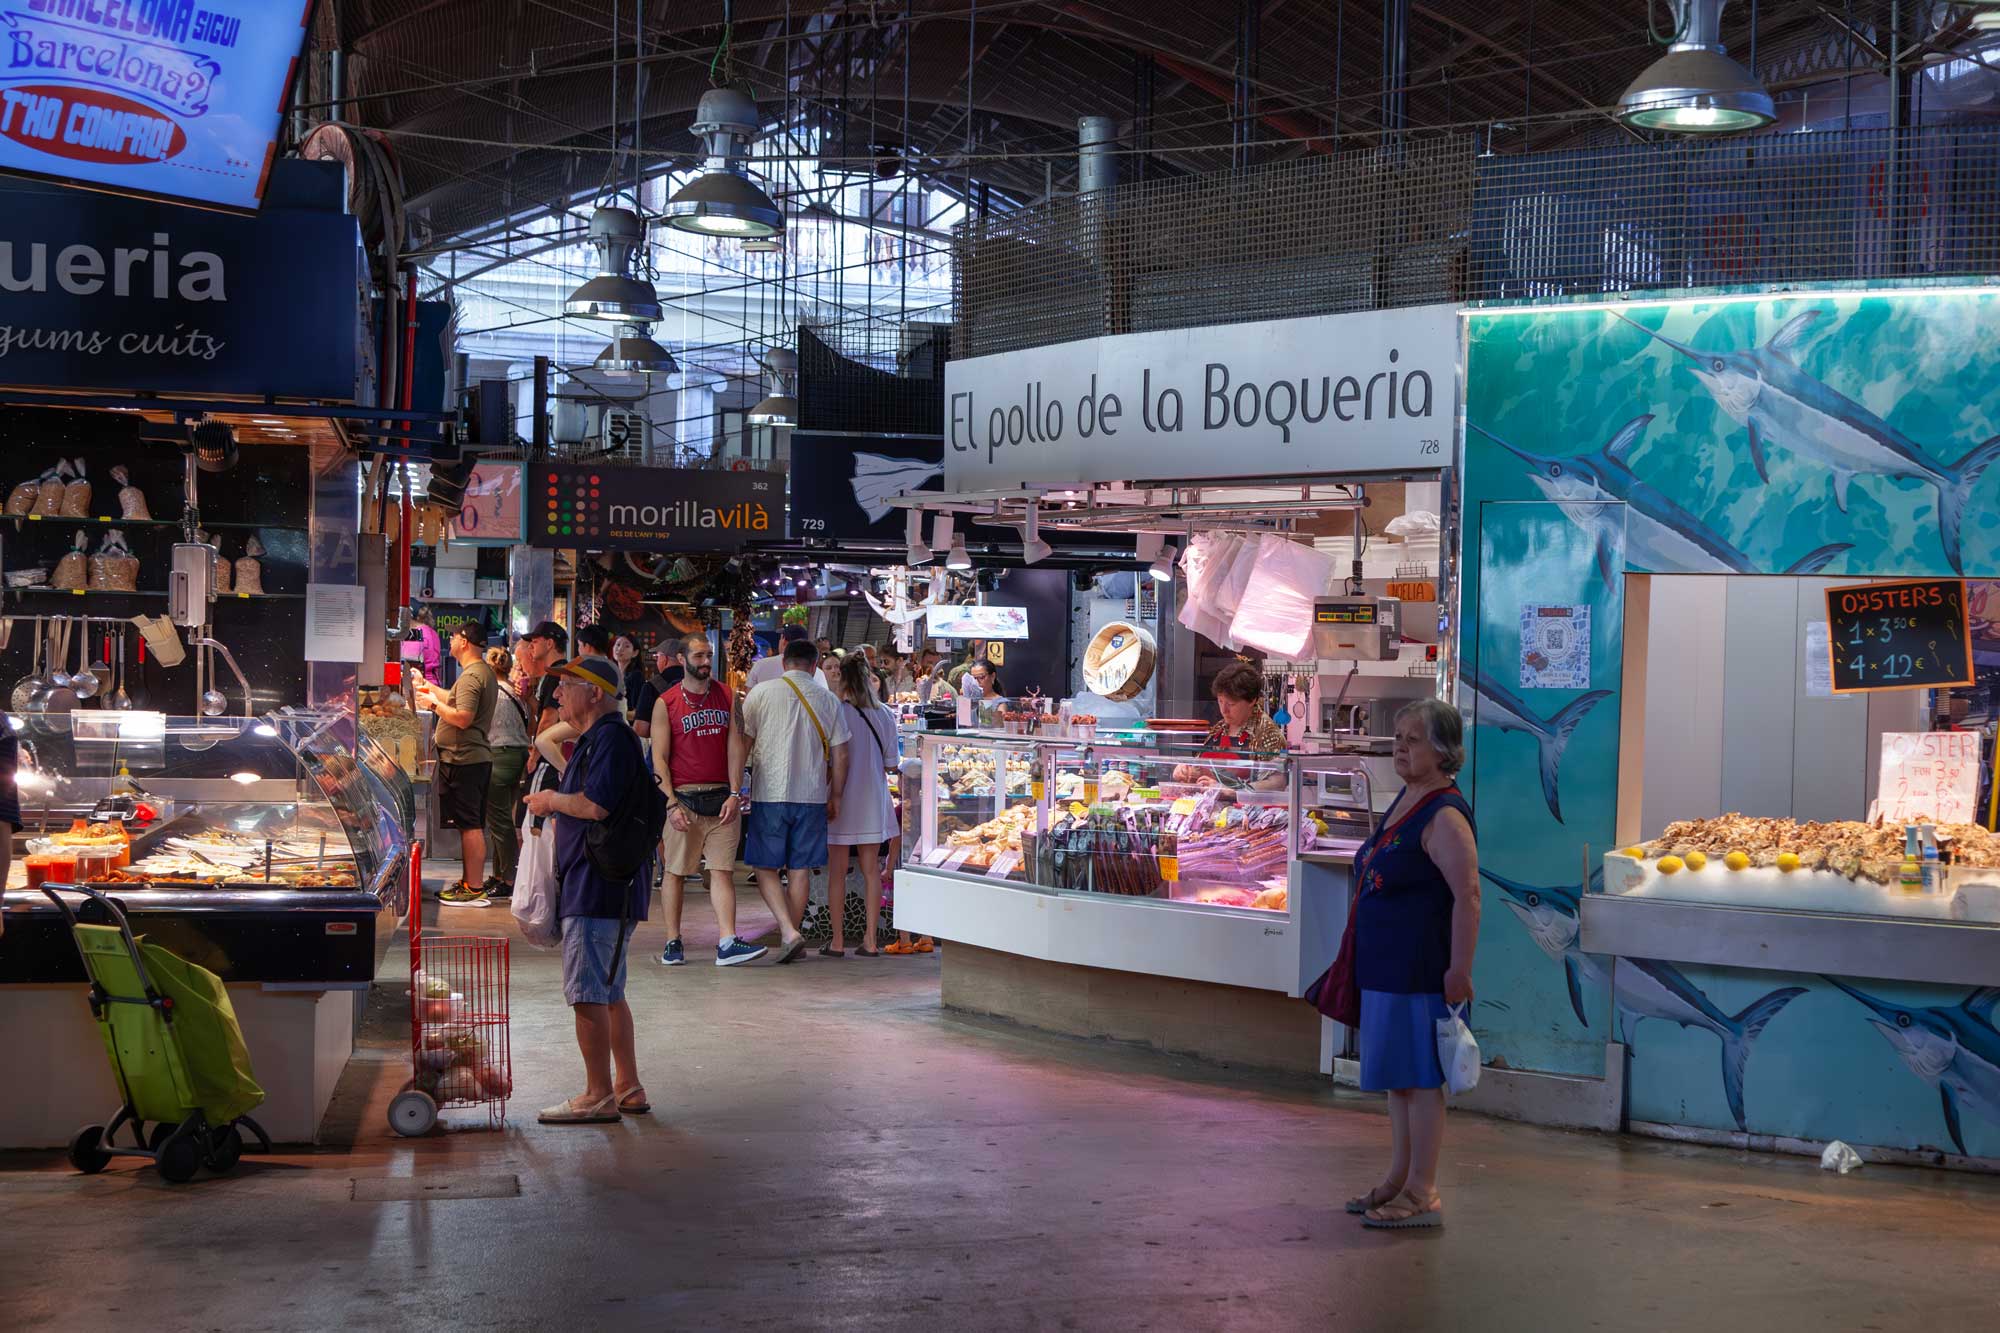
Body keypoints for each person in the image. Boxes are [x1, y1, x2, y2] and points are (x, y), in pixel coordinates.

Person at [1348, 699, 1479, 1230]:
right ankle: (1399, 1178)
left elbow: (1467, 896)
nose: (1400, 746)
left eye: (1414, 739)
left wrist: (1459, 970)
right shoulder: (1409, 796)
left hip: (1423, 967)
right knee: (1398, 1079)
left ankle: (1423, 1191)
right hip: (1387, 966)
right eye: (1398, 737)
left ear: (1445, 751)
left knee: (1423, 1080)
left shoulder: (1444, 813)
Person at [523, 656, 653, 1123]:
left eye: (567, 685)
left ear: (596, 693)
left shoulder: (612, 739)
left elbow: (595, 806)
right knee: (608, 989)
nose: (557, 694)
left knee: (587, 992)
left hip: (599, 884)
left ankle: (596, 1094)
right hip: (603, 882)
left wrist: (550, 801)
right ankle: (627, 1086)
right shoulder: (601, 738)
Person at [732, 637, 849, 964]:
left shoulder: (760, 694)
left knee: (764, 865)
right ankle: (790, 933)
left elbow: (742, 745)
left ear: (784, 662)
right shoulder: (828, 701)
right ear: (814, 666)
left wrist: (735, 786)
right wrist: (835, 795)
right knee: (799, 869)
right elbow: (841, 755)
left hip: (770, 794)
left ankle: (788, 931)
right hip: (811, 796)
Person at [652, 632, 764, 967]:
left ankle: (727, 941)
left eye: (708, 655)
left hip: (722, 799)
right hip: (684, 798)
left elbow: (737, 745)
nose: (705, 662)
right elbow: (659, 757)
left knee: (722, 871)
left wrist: (735, 791)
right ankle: (673, 941)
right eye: (698, 656)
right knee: (674, 872)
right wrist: (670, 802)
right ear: (682, 658)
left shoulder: (728, 697)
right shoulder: (666, 703)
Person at [823, 653, 897, 957]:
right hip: (873, 799)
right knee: (871, 871)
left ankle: (838, 941)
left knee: (837, 872)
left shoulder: (836, 712)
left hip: (839, 799)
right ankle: (870, 940)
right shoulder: (885, 714)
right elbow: (892, 764)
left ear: (842, 677)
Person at [424, 621, 499, 905]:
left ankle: (474, 887)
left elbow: (462, 717)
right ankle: (469, 882)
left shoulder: (471, 676)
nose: (451, 640)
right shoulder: (479, 673)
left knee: (470, 825)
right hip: (469, 759)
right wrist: (430, 689)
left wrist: (432, 705)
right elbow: (455, 702)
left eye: (453, 636)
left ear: (464, 641)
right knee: (469, 824)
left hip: (465, 760)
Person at [1172, 662, 1288, 790]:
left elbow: (1277, 782)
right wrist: (1185, 769)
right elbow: (1200, 764)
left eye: (1231, 704)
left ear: (1252, 700)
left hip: (1246, 808)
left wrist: (1233, 791)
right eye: (1220, 701)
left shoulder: (1267, 733)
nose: (1224, 710)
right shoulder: (1219, 728)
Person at [482, 645, 533, 901]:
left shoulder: (492, 693)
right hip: (518, 756)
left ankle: (509, 879)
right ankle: (499, 874)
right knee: (501, 819)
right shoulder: (514, 692)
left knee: (499, 821)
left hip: (499, 755)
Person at [632, 641, 684, 741]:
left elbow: (641, 729)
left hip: (664, 751)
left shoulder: (652, 685)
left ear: (664, 659)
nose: (657, 661)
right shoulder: (696, 683)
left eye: (657, 657)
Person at [612, 634, 644, 716]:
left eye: (626, 646)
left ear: (635, 653)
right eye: (618, 644)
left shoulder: (636, 676)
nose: (620, 649)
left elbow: (637, 712)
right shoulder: (611, 674)